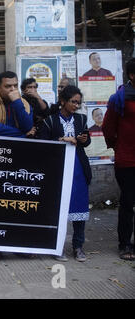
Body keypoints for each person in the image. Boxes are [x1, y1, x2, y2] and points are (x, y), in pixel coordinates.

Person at [0, 71, 34, 262]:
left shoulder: (24, 103)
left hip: (20, 159)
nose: (12, 89)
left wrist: (17, 102)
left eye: (15, 86)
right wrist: (22, 134)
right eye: (8, 86)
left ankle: (18, 245)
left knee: (18, 205)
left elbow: (28, 124)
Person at [38, 85, 91, 262]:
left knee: (79, 205)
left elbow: (86, 141)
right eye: (73, 102)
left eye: (78, 102)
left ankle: (78, 246)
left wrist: (83, 139)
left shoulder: (81, 120)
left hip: (78, 168)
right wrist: (62, 139)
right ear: (63, 101)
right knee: (57, 207)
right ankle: (57, 246)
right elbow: (42, 144)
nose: (76, 105)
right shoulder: (50, 121)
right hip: (58, 168)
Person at [102, 58, 135, 261]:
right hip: (127, 160)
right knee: (128, 202)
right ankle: (125, 244)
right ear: (132, 75)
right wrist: (118, 146)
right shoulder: (120, 98)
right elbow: (107, 127)